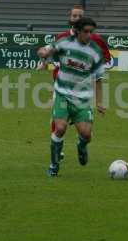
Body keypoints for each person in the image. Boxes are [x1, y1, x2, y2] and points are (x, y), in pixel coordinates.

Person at [37, 17, 106, 177]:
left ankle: (81, 146)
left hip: (82, 99)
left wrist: (100, 102)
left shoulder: (95, 52)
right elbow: (44, 51)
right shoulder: (64, 43)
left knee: (86, 134)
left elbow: (99, 79)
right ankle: (54, 165)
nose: (89, 35)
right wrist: (43, 52)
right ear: (77, 32)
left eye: (91, 32)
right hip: (62, 94)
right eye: (86, 32)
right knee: (60, 128)